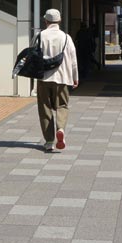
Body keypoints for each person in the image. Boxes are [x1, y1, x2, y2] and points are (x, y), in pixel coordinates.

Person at [37, 9, 78, 152]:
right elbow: (73, 60)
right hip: (63, 78)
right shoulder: (66, 37)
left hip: (44, 78)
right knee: (62, 105)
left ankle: (49, 141)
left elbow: (31, 55)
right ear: (59, 21)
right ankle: (60, 128)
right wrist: (75, 77)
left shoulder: (40, 36)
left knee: (45, 108)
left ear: (46, 21)